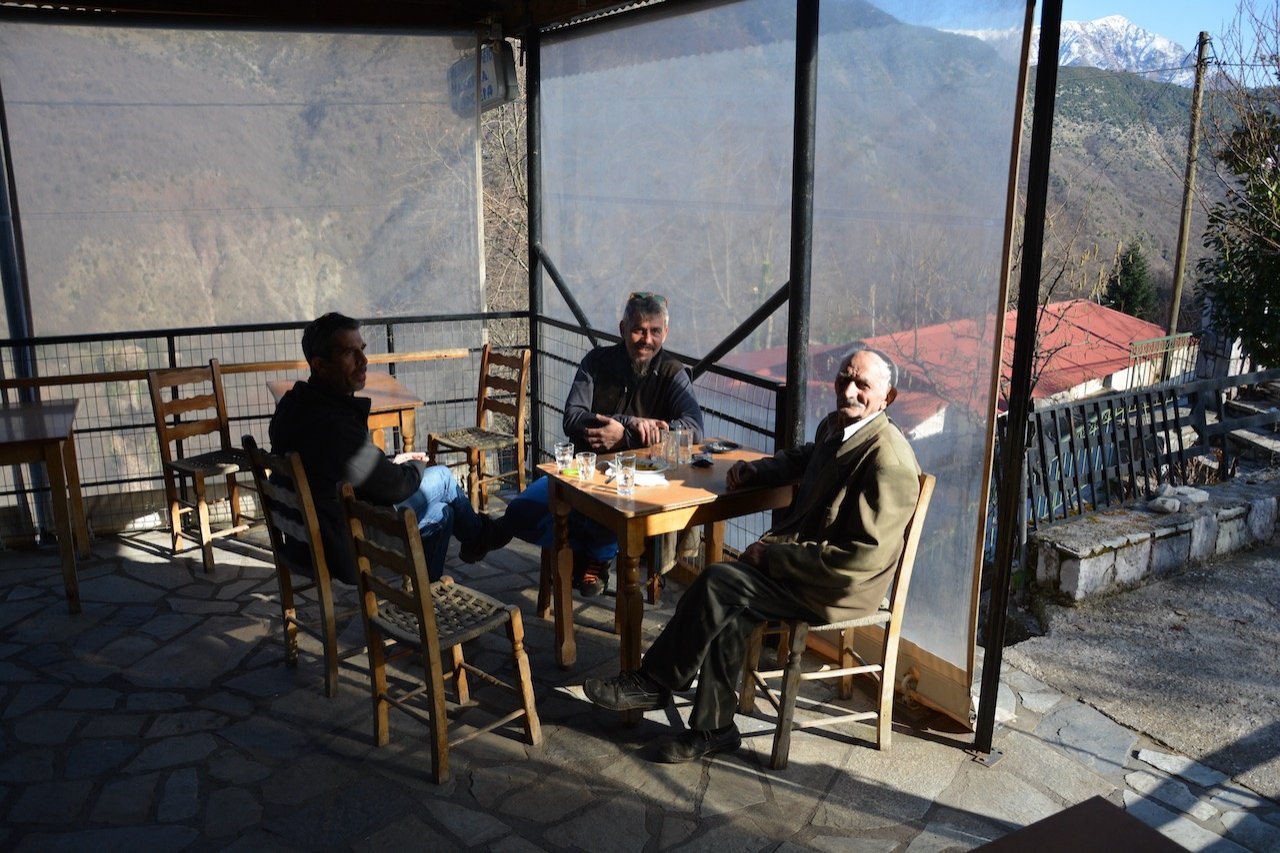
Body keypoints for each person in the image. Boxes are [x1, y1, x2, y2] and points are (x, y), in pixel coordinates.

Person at [583, 345, 922, 763]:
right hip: (809, 566)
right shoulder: (837, 426)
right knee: (730, 604)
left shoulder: (889, 461)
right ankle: (714, 729)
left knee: (717, 582)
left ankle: (655, 682)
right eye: (843, 379)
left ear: (887, 398)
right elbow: (809, 458)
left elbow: (859, 562)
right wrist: (759, 471)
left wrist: (773, 558)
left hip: (837, 586)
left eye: (862, 385)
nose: (847, 390)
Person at [269, 312, 507, 586]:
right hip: (344, 543)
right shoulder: (333, 424)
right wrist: (415, 466)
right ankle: (475, 541)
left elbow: (346, 470)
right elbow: (392, 488)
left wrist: (389, 466)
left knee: (444, 513)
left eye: (363, 350)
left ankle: (426, 598)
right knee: (442, 479)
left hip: (311, 538)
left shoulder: (294, 406)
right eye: (350, 352)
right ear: (320, 365)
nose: (364, 361)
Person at [497, 291, 705, 595]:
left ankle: (590, 556)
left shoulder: (673, 373)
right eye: (638, 330)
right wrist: (629, 422)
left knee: (612, 519)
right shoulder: (596, 362)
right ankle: (590, 556)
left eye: (655, 331)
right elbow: (571, 418)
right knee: (518, 514)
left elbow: (694, 430)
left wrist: (625, 435)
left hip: (632, 485)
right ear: (622, 329)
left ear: (665, 333)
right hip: (581, 475)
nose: (646, 339)